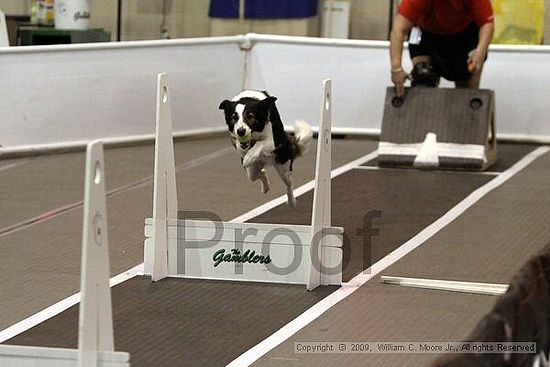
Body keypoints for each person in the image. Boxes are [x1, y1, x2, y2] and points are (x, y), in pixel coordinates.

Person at [389, 0, 494, 96]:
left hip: (465, 35)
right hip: (427, 34)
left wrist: (480, 52)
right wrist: (396, 68)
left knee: (468, 94)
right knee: (423, 77)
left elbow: (487, 23)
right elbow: (398, 29)